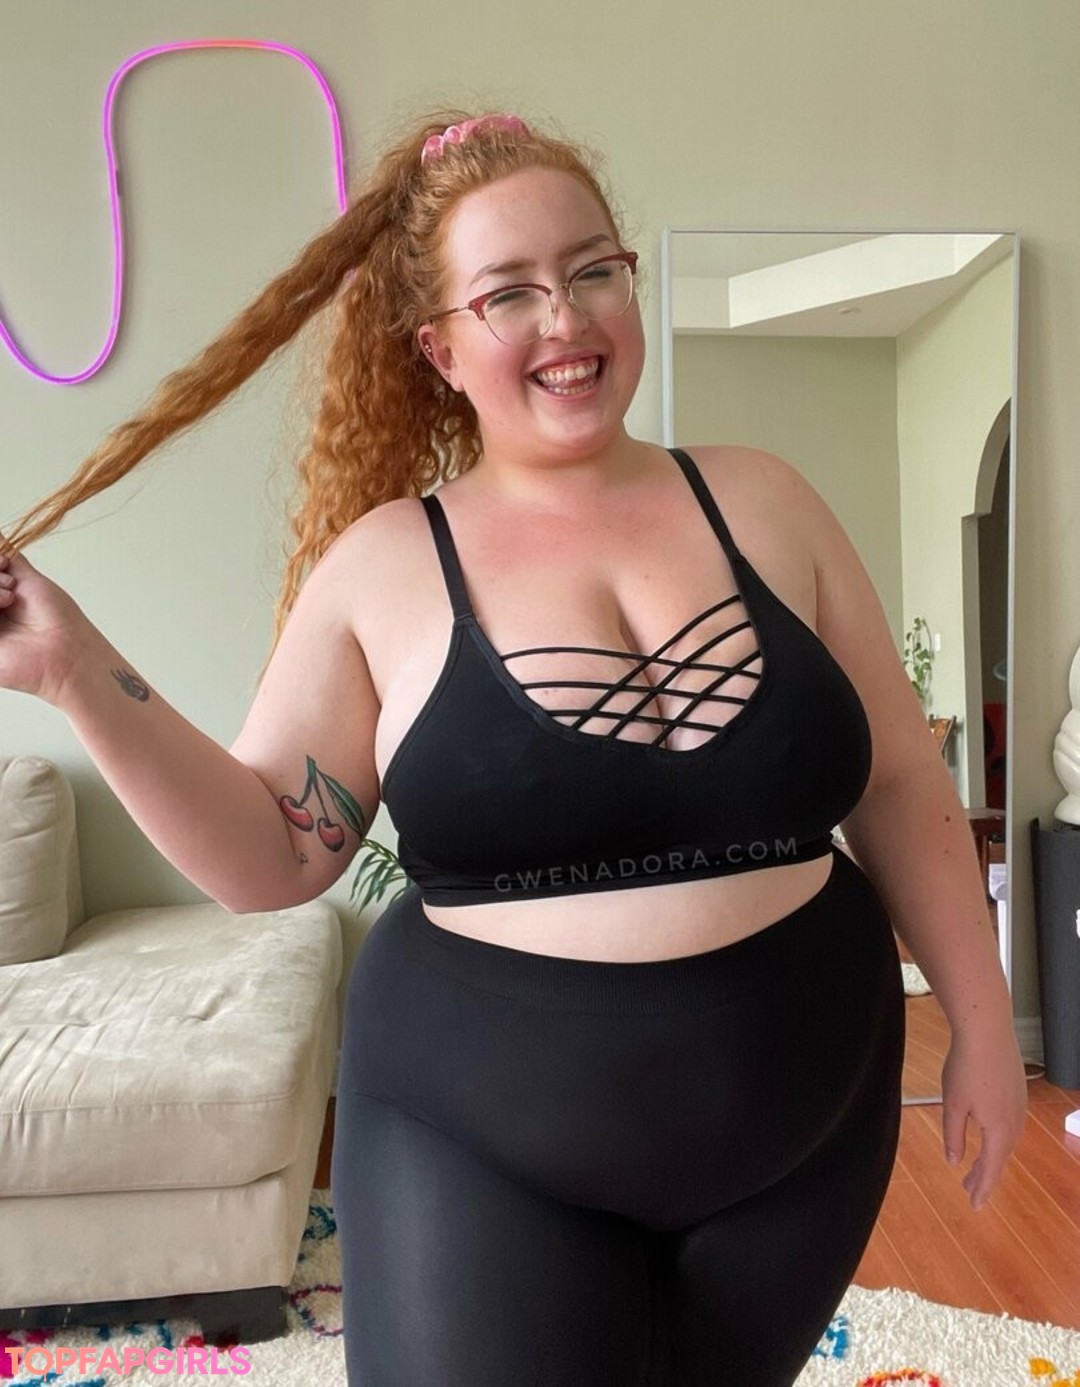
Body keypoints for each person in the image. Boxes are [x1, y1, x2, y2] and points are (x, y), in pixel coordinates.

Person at [0, 110, 1027, 1386]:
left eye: (594, 270)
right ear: (439, 346)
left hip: (805, 1119)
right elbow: (273, 854)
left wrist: (984, 1020)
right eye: (510, 293)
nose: (567, 318)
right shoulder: (384, 565)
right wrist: (72, 668)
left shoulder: (767, 499)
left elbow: (900, 778)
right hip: (485, 1133)